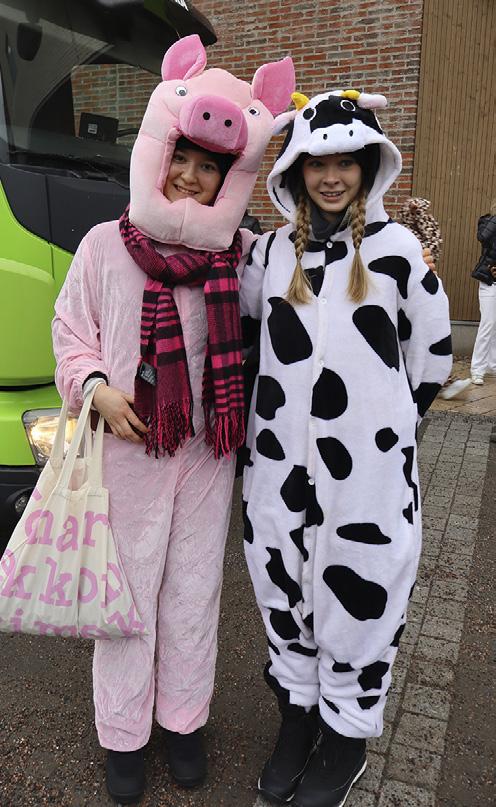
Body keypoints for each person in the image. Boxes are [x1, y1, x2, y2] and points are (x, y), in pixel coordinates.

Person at [52, 34, 294, 805]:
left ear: (229, 176)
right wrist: (95, 387)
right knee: (125, 595)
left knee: (193, 592)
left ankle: (183, 721)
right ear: (159, 154)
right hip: (130, 449)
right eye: (181, 158)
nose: (191, 175)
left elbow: (304, 272)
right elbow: (70, 329)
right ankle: (123, 732)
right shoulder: (104, 246)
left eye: (209, 166)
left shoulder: (241, 254)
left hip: (205, 452)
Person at [239, 89, 452, 807]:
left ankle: (347, 735)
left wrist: (380, 433)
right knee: (282, 583)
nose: (331, 177)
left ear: (368, 166)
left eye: (346, 163)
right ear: (296, 170)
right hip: (276, 467)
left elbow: (431, 358)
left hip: (366, 476)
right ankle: (297, 719)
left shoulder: (396, 253)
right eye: (316, 163)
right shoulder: (271, 254)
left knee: (359, 592)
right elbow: (245, 334)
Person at [470, 200, 496, 385]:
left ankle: (492, 366)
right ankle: (477, 369)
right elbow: (483, 237)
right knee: (488, 324)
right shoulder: (488, 222)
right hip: (489, 281)